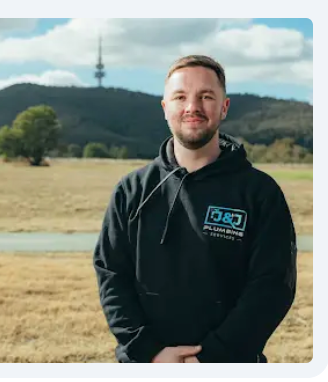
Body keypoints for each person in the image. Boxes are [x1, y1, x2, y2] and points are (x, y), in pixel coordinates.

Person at [93, 55, 297, 363]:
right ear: (165, 108)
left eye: (206, 96)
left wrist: (212, 357)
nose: (193, 107)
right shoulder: (131, 190)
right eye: (180, 97)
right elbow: (111, 275)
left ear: (224, 107)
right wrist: (150, 352)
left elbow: (272, 286)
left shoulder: (260, 193)